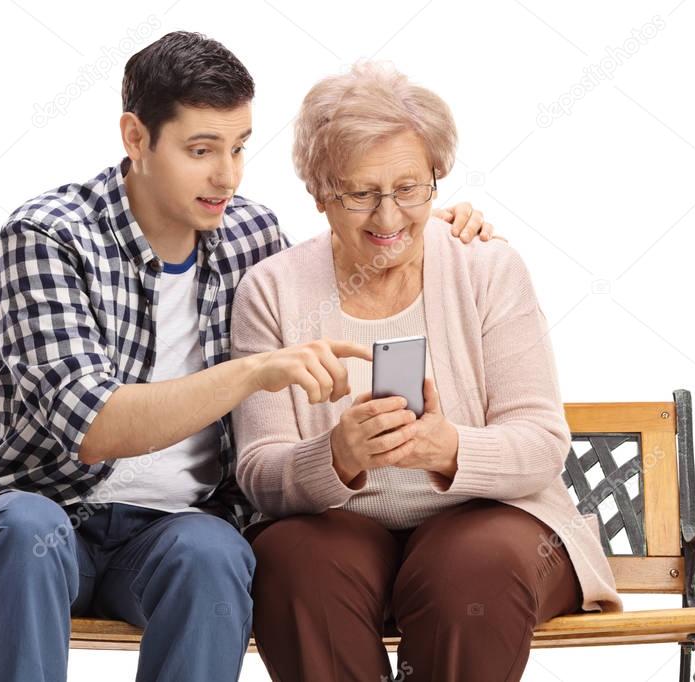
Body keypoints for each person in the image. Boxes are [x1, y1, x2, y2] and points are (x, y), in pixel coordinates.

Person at [0, 33, 496, 682]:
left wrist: (426, 222)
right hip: (45, 521)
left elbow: (348, 255)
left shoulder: (251, 234)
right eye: (201, 150)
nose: (227, 174)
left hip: (171, 535)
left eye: (239, 146)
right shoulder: (50, 236)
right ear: (135, 138)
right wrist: (249, 372)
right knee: (24, 531)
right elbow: (94, 429)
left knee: (212, 551)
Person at [231, 61, 623, 682]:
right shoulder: (271, 291)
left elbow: (543, 442)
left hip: (491, 523)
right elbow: (258, 472)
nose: (388, 220)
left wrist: (451, 448)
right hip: (342, 531)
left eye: (410, 188)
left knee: (469, 571)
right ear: (318, 193)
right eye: (360, 194)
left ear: (436, 180)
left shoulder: (485, 267)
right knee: (292, 562)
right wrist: (335, 456)